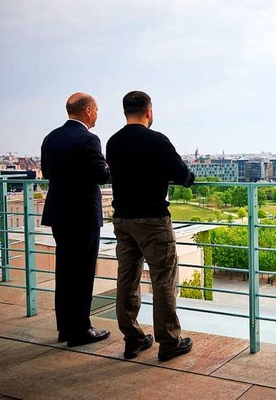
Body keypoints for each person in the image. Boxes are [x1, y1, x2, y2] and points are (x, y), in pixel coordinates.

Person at [106, 91, 195, 361]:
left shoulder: (113, 142)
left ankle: (133, 339)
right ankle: (168, 342)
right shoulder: (157, 140)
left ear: (125, 112)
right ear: (149, 111)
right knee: (163, 281)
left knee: (127, 279)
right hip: (153, 220)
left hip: (123, 220)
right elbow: (183, 175)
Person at [41, 92, 111, 347]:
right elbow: (102, 176)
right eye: (97, 110)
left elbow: (47, 172)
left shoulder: (51, 138)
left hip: (59, 214)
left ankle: (65, 328)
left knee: (65, 270)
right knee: (82, 273)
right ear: (89, 111)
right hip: (83, 215)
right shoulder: (89, 139)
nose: (98, 115)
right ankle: (81, 329)